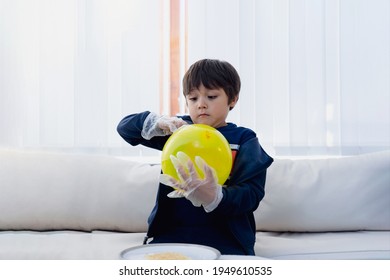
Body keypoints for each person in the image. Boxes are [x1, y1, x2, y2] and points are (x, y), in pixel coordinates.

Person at [117, 59, 273, 255]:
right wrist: (157, 123)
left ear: (232, 99)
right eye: (193, 98)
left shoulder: (244, 139)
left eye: (211, 96)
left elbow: (252, 194)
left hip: (227, 240)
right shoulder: (177, 131)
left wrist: (215, 197)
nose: (201, 105)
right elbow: (124, 129)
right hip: (172, 236)